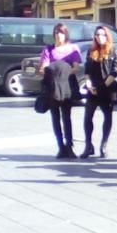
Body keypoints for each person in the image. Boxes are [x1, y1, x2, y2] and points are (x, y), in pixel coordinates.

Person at [39, 23, 82, 158]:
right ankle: (60, 146)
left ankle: (69, 146)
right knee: (55, 117)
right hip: (52, 87)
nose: (59, 35)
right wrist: (48, 71)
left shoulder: (73, 49)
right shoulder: (48, 50)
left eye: (61, 33)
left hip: (66, 85)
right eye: (57, 33)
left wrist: (63, 72)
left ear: (66, 34)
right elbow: (43, 68)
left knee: (66, 116)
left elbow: (76, 68)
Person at [81, 25, 117, 159]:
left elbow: (115, 71)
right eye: (97, 35)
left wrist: (102, 87)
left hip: (107, 88)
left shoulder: (113, 51)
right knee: (88, 117)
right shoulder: (91, 51)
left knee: (107, 116)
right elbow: (86, 70)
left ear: (107, 36)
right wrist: (89, 84)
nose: (100, 37)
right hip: (92, 88)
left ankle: (103, 146)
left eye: (103, 35)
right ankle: (88, 146)